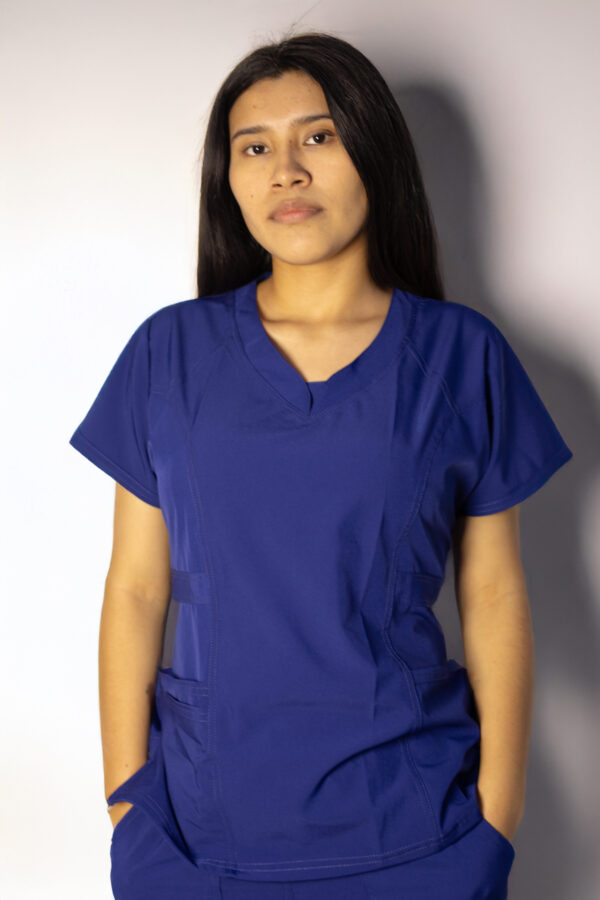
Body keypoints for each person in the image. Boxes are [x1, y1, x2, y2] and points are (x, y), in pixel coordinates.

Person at [69, 29, 573, 900]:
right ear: (227, 179)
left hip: (416, 828)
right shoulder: (169, 353)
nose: (286, 172)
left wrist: (498, 813)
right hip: (200, 835)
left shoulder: (461, 355)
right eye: (254, 147)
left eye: (319, 136)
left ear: (373, 152)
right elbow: (137, 590)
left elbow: (493, 592)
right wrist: (126, 805)